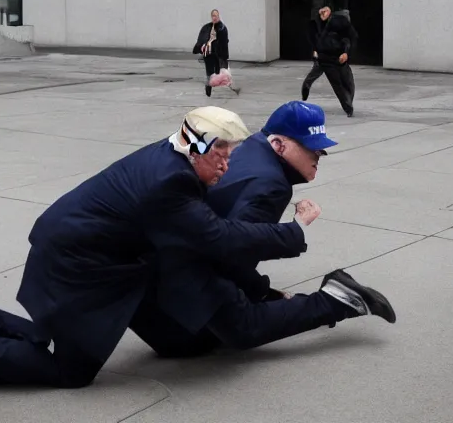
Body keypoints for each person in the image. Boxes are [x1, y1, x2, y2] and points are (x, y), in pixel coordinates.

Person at [0, 107, 310, 397]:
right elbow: (221, 237)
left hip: (83, 246)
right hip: (79, 262)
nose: (227, 167)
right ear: (196, 147)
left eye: (231, 156)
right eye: (220, 157)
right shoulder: (171, 182)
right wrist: (293, 232)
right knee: (71, 371)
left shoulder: (174, 155)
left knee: (51, 336)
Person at [128, 101, 395, 358]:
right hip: (186, 264)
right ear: (279, 145)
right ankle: (337, 300)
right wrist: (258, 291)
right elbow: (235, 249)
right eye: (311, 149)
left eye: (320, 149)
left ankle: (303, 301)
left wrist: (259, 292)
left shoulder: (251, 149)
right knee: (243, 329)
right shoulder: (272, 184)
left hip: (171, 255)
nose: (318, 156)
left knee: (187, 342)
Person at [302, 6, 358, 117]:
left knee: (347, 81)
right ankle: (347, 106)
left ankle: (348, 104)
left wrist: (347, 53)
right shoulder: (320, 23)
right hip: (325, 58)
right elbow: (315, 37)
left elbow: (351, 39)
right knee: (336, 82)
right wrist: (315, 51)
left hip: (337, 57)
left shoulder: (341, 27)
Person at [193, 9, 240, 98]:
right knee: (210, 72)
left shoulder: (222, 28)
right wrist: (201, 46)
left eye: (216, 16)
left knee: (223, 72)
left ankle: (231, 87)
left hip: (219, 54)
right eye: (213, 16)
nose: (215, 17)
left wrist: (224, 56)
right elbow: (201, 38)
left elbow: (224, 42)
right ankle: (209, 86)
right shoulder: (207, 27)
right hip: (209, 53)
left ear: (219, 16)